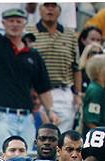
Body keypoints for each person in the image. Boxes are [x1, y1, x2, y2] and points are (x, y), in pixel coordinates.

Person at [0, 4, 58, 151]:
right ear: (3, 23)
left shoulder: (33, 55)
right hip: (0, 116)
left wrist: (50, 111)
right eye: (10, 20)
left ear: (25, 23)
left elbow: (43, 87)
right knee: (2, 160)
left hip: (26, 118)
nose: (14, 24)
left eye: (18, 20)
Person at [27, 3, 82, 132]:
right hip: (36, 92)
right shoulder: (29, 32)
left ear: (60, 10)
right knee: (39, 134)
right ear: (40, 10)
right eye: (46, 6)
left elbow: (76, 66)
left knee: (62, 135)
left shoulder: (70, 35)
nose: (50, 9)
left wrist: (78, 93)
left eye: (53, 6)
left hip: (63, 91)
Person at [82, 54, 105, 135]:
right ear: (99, 70)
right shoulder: (95, 90)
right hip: (97, 137)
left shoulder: (101, 88)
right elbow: (90, 120)